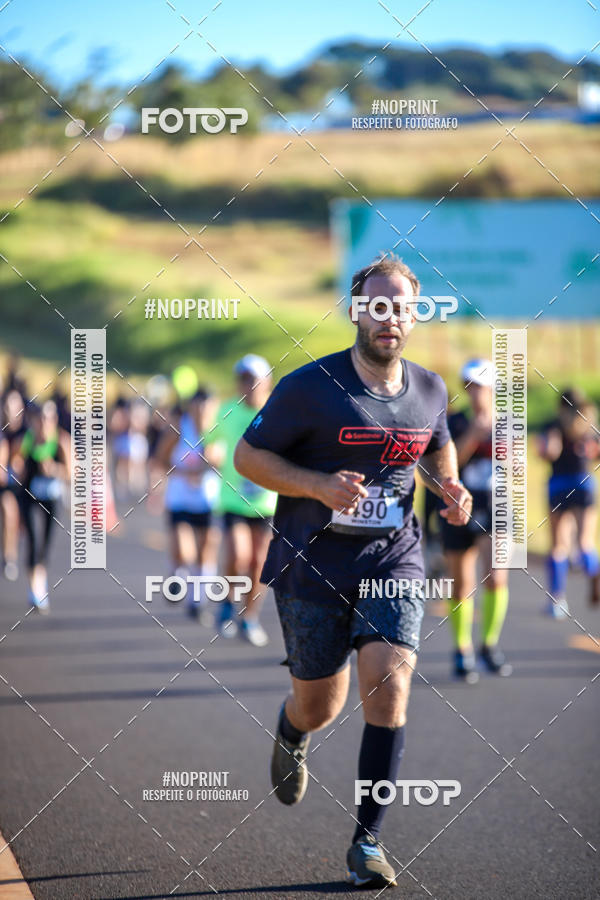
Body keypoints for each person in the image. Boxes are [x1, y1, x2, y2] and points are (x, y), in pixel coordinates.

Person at [233, 256, 472, 888]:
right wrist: (316, 485)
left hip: (395, 556)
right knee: (322, 703)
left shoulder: (430, 388)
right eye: (378, 304)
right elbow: (247, 456)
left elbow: (438, 441)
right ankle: (292, 727)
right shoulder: (309, 387)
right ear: (357, 311)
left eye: (402, 307)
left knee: (388, 684)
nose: (390, 316)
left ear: (414, 317)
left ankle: (367, 840)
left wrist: (449, 484)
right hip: (312, 562)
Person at [439, 359, 511, 683]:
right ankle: (462, 650)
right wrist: (474, 433)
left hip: (496, 505)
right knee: (461, 582)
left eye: (482, 385)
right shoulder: (454, 422)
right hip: (460, 504)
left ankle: (490, 644)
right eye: (471, 385)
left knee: (496, 576)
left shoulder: (509, 423)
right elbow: (450, 464)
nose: (476, 391)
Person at [203, 356, 277, 646]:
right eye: (242, 379)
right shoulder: (226, 410)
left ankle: (249, 617)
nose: (247, 385)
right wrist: (212, 454)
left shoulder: (277, 410)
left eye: (253, 378)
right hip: (233, 499)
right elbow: (209, 441)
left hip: (267, 501)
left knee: (259, 562)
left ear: (266, 381)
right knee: (239, 554)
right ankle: (225, 604)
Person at [156, 390, 221, 623]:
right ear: (192, 407)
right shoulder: (180, 428)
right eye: (199, 406)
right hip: (180, 499)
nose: (203, 411)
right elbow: (160, 458)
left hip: (209, 500)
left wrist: (211, 464)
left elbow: (223, 460)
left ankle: (197, 602)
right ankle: (177, 575)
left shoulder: (218, 430)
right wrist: (182, 472)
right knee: (185, 551)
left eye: (208, 406)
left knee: (206, 550)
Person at [538, 389, 600, 617]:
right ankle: (594, 570)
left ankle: (557, 600)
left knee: (558, 546)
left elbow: (548, 452)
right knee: (585, 543)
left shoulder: (553, 424)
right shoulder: (589, 424)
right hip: (584, 484)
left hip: (558, 486)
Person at [14, 401, 70, 612]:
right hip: (28, 494)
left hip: (51, 497)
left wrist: (54, 469)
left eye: (49, 418)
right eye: (41, 419)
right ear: (35, 421)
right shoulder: (26, 440)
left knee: (45, 544)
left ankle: (41, 584)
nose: (44, 423)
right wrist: (18, 466)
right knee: (32, 540)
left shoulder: (61, 441)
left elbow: (71, 473)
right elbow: (15, 460)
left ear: (54, 420)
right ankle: (34, 590)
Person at [1, 389, 27, 581]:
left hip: (23, 486)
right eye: (9, 407)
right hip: (5, 486)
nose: (12, 411)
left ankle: (10, 555)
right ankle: (9, 557)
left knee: (18, 521)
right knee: (8, 510)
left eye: (16, 407)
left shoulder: (26, 433)